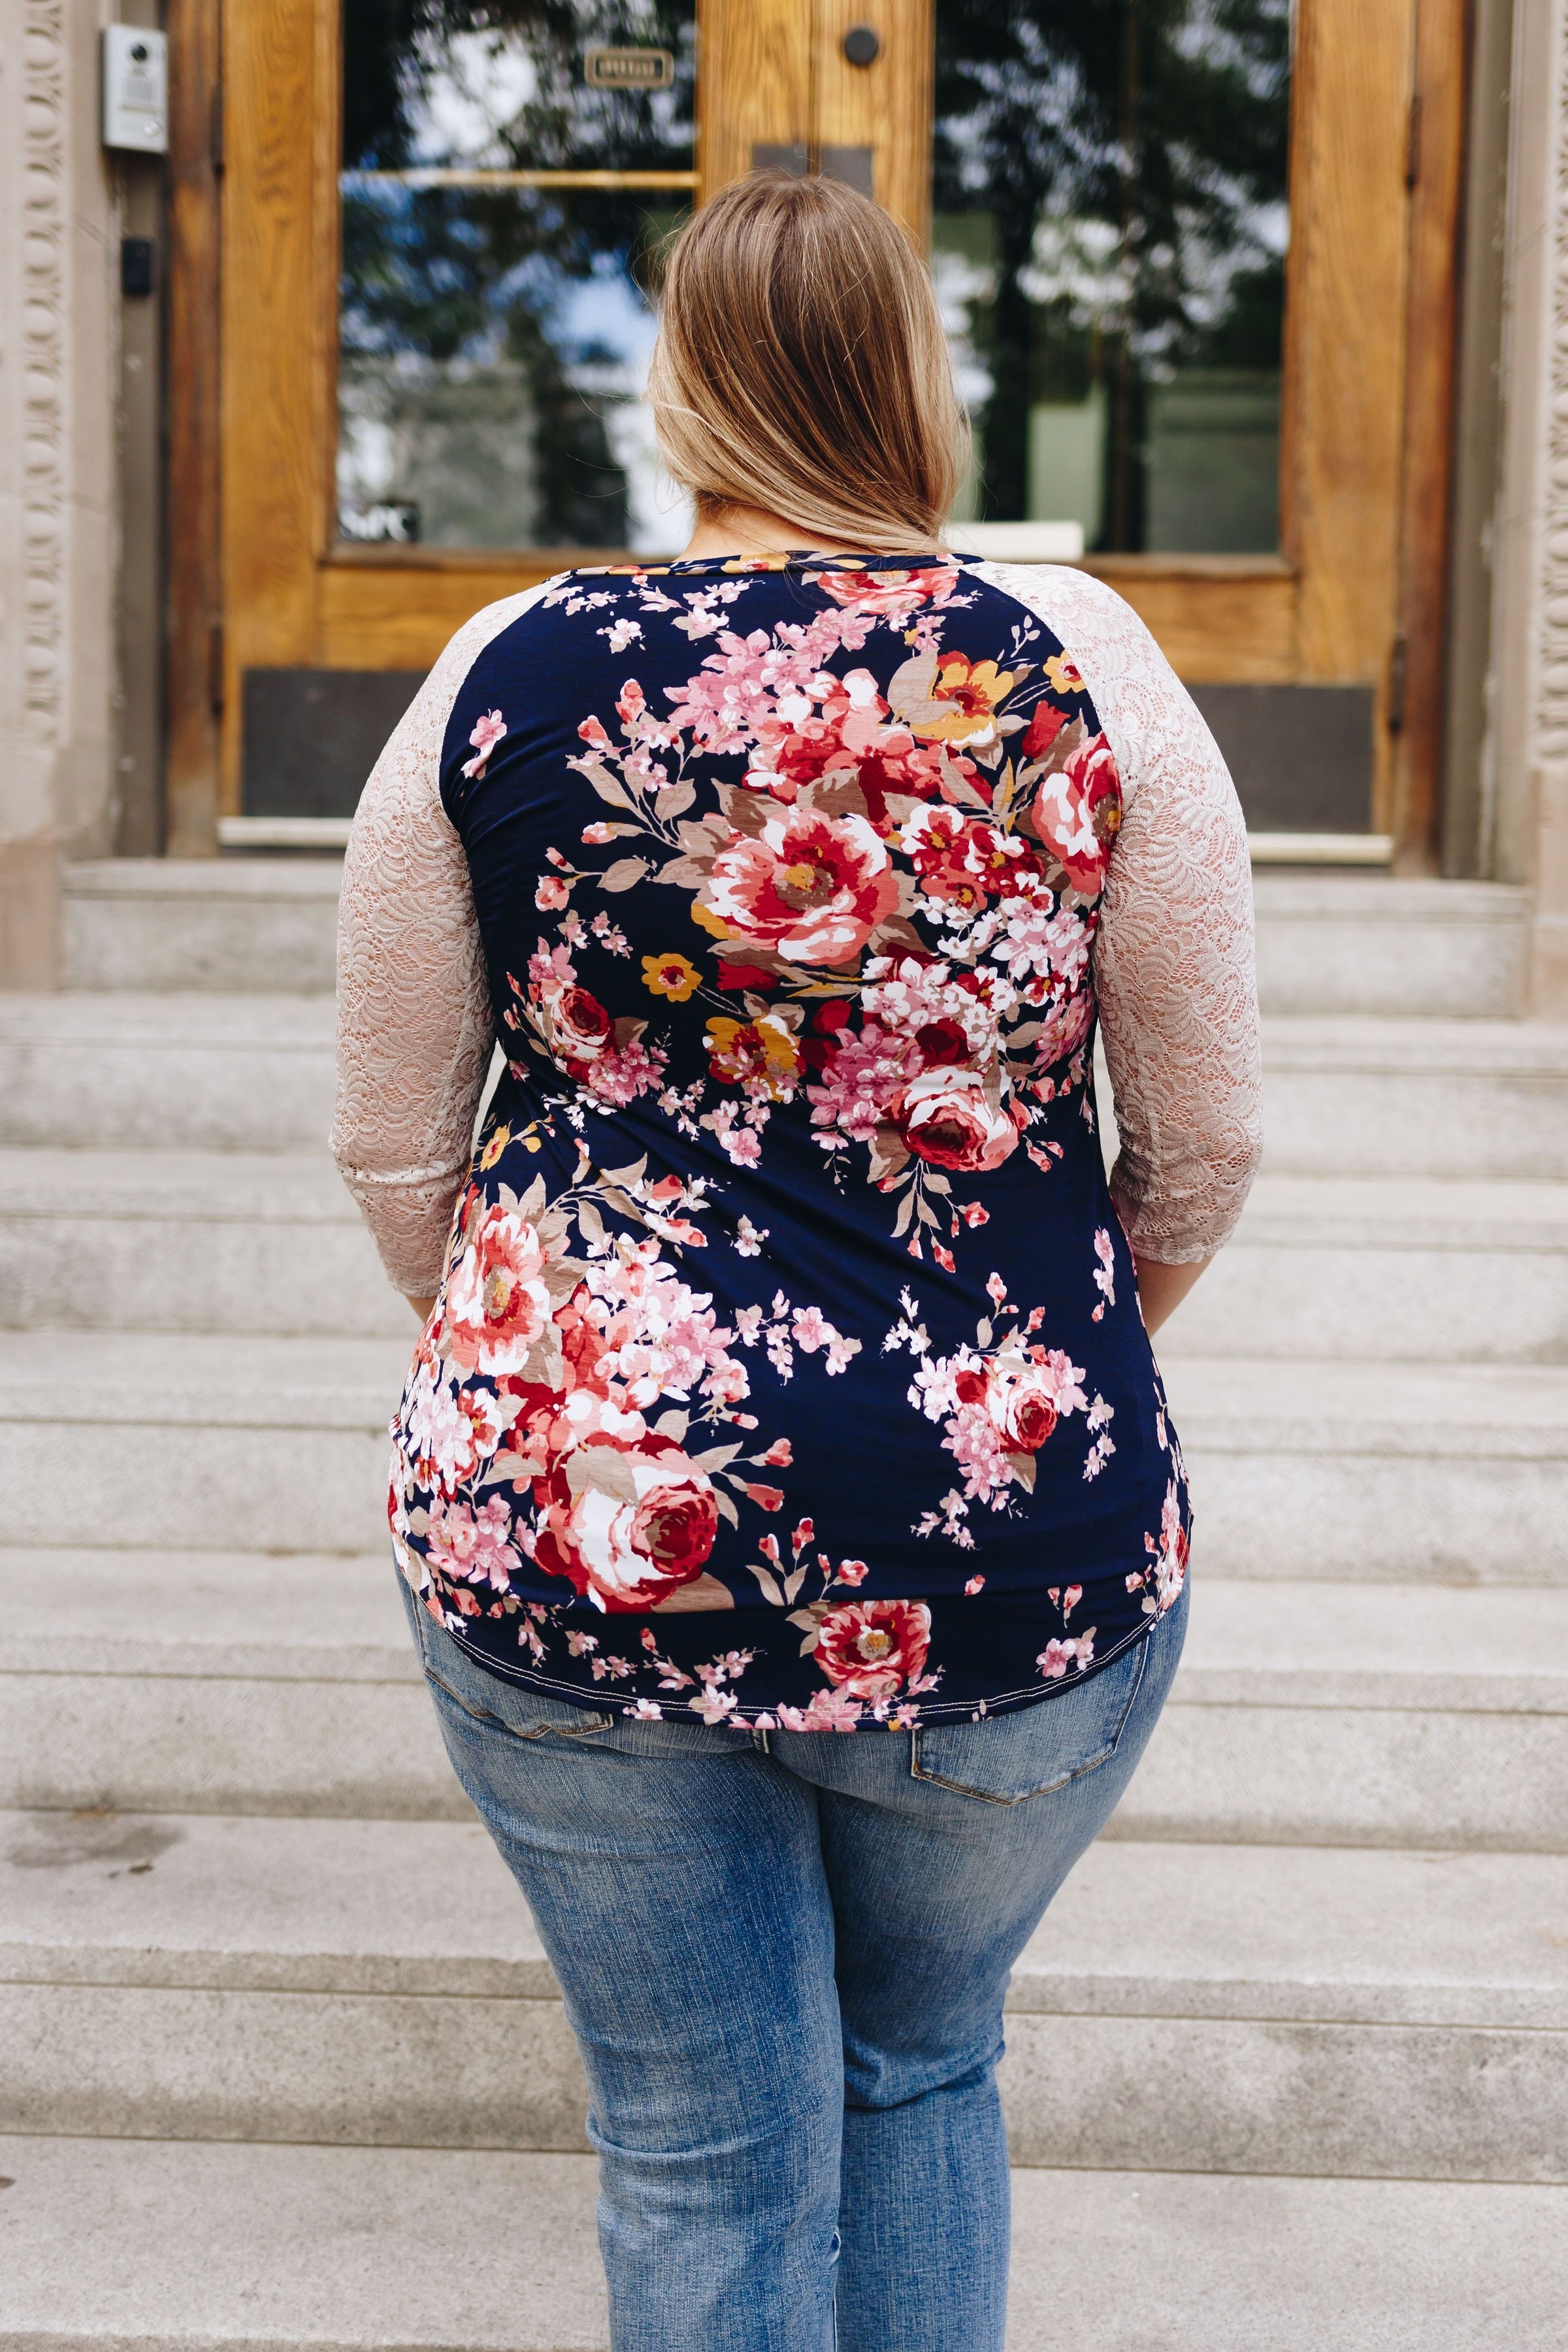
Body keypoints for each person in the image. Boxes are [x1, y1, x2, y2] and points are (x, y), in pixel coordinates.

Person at [333, 170, 1262, 2352]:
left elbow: (393, 1142)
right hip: (1004, 1547)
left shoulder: (505, 669)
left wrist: (574, 1356)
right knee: (920, 2056)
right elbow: (1204, 1139)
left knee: (696, 2142)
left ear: (684, 395)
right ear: (918, 385)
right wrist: (1023, 1345)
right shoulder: (1078, 656)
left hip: (574, 1528)